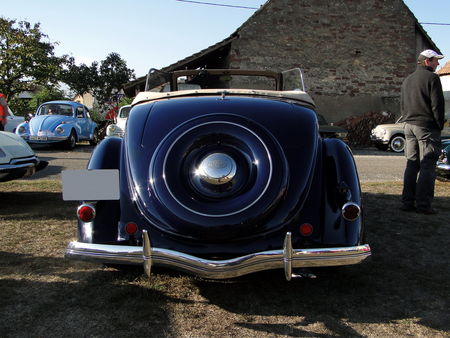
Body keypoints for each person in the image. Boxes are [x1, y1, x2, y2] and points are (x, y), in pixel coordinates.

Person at [400, 49, 445, 215]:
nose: (438, 63)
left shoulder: (407, 80)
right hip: (426, 126)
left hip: (408, 125)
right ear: (427, 61)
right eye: (435, 60)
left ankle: (407, 202)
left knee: (412, 164)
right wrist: (439, 125)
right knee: (428, 164)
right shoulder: (432, 78)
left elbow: (403, 105)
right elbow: (437, 105)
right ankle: (424, 205)